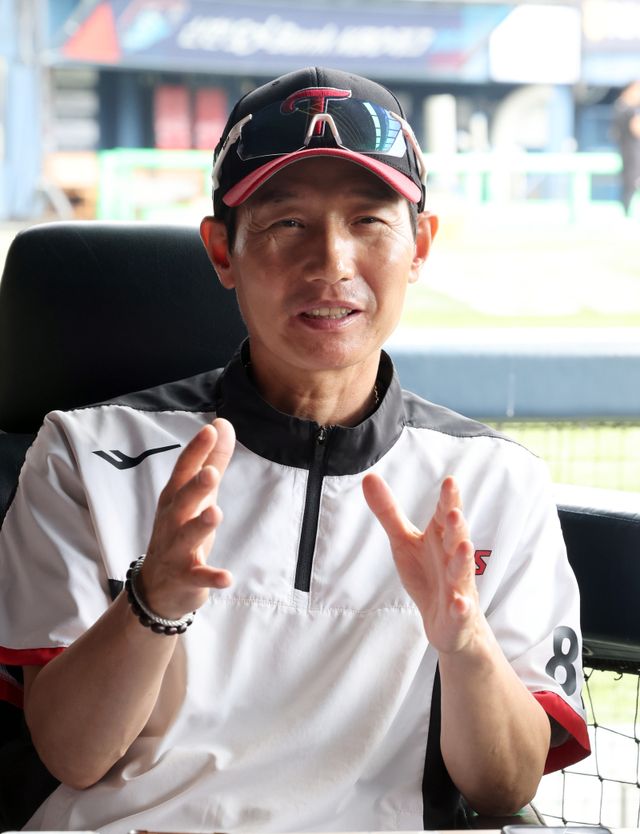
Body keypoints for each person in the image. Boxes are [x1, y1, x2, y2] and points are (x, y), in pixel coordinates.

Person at [0, 66, 589, 833]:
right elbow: (71, 756)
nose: (332, 261)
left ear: (420, 246)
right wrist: (154, 600)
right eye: (286, 224)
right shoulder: (86, 454)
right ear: (222, 250)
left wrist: (464, 641)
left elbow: (505, 788)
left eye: (369, 221)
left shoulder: (495, 482)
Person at [613, 80, 640, 216]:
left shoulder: (620, 107)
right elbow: (636, 130)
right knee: (631, 185)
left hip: (628, 153)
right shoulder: (627, 109)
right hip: (631, 154)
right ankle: (626, 215)